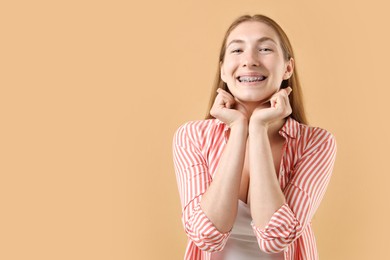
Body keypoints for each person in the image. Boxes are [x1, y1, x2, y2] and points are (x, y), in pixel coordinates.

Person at [172, 14, 337, 260]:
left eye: (265, 49)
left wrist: (258, 129)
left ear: (287, 68)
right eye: (237, 50)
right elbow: (206, 235)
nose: (249, 61)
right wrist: (239, 129)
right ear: (223, 71)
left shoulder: (315, 143)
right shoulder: (192, 136)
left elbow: (276, 238)